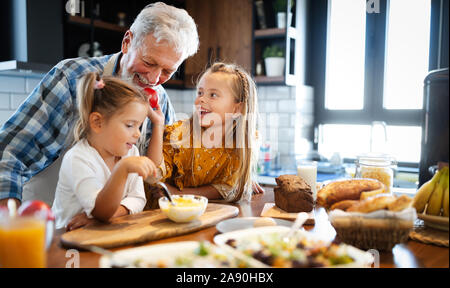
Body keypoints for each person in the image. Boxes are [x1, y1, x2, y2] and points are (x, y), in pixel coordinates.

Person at [0, 2, 200, 207]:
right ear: (127, 42)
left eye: (168, 71)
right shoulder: (71, 78)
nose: (154, 78)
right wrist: (11, 222)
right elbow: (10, 155)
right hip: (48, 224)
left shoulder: (161, 102)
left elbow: (161, 177)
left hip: (115, 229)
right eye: (149, 62)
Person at [52, 73, 157, 230]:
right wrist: (122, 169)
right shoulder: (78, 158)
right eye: (130, 125)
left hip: (104, 232)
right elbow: (100, 211)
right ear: (97, 122)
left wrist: (103, 218)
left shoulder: (131, 152)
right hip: (67, 244)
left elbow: (138, 199)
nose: (138, 134)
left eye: (139, 126)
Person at [146, 62, 259, 204]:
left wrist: (178, 193)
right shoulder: (179, 135)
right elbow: (152, 177)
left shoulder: (240, 144)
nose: (201, 99)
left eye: (213, 95)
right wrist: (158, 124)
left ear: (237, 109)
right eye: (200, 92)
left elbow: (223, 188)